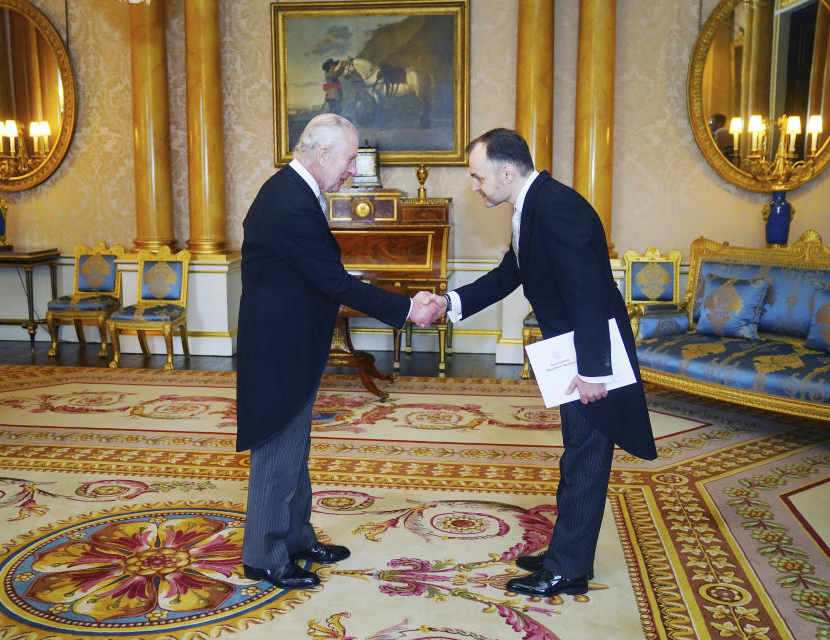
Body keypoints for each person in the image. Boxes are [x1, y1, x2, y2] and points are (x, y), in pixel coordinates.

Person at [427, 128, 657, 598]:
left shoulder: (557, 210)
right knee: (578, 453)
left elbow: (590, 292)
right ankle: (565, 553)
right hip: (571, 349)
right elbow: (510, 273)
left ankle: (567, 570)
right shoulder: (533, 205)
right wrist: (450, 302)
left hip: (590, 356)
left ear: (507, 171)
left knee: (586, 458)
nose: (475, 186)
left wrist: (593, 371)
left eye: (477, 176)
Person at [236, 113, 442, 590]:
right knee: (278, 448)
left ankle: (296, 538)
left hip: (291, 342)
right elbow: (334, 281)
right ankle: (264, 557)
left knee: (295, 448)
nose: (353, 169)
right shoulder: (290, 201)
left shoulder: (293, 191)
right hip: (279, 348)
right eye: (350, 159)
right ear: (323, 153)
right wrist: (408, 308)